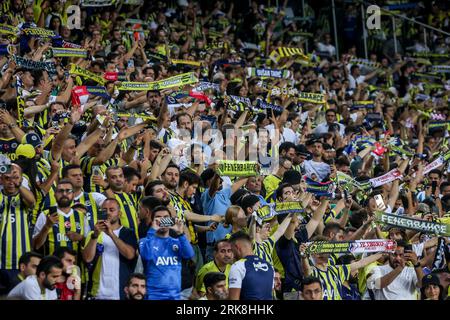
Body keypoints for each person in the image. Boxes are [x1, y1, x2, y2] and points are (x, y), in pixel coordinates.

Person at [82, 198, 138, 300]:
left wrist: (111, 234)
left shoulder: (128, 233)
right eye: (104, 210)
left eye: (112, 210)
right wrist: (95, 236)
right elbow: (87, 258)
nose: (107, 213)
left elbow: (130, 255)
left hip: (121, 292)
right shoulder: (93, 234)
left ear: (119, 214)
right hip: (97, 293)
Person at [139, 205, 195, 300]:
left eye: (165, 218)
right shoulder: (145, 241)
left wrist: (180, 233)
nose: (162, 221)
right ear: (152, 222)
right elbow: (146, 256)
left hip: (175, 295)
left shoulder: (177, 241)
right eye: (158, 218)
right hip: (153, 295)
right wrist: (153, 230)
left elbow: (189, 254)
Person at [0, 164, 36, 294]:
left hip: (18, 263)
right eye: (7, 178)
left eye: (15, 178)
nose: (11, 182)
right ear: (1, 180)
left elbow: (32, 201)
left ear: (21, 179)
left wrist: (18, 184)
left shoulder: (23, 198)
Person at [32, 179, 85, 255]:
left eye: (68, 191)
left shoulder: (82, 216)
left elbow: (90, 243)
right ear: (54, 195)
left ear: (73, 195)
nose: (64, 194)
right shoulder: (45, 215)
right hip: (51, 265)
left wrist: (81, 238)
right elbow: (35, 245)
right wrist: (46, 227)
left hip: (75, 266)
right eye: (60, 191)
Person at [228, 231, 274, 300]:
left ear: (237, 247)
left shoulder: (238, 266)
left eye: (232, 250)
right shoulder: (269, 266)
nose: (232, 254)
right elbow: (270, 293)